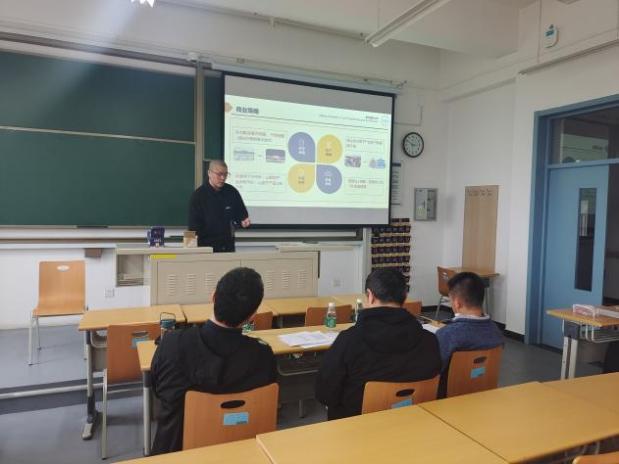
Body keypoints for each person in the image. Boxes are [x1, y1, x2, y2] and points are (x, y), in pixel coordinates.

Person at [150, 267, 277, 454]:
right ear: (252, 315)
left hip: (176, 454)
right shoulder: (263, 355)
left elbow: (157, 390)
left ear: (213, 297)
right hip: (242, 452)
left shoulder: (171, 345)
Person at [315, 268, 442, 420]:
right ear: (405, 296)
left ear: (370, 296)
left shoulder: (349, 340)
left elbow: (324, 393)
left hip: (356, 426)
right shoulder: (430, 340)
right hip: (413, 421)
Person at [435, 272, 504, 373]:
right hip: (486, 382)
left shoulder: (447, 334)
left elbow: (435, 370)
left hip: (452, 383)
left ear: (457, 303)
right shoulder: (497, 332)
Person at [188, 160, 250, 252]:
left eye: (225, 174)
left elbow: (241, 216)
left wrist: (243, 222)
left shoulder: (232, 192)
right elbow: (193, 228)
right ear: (209, 173)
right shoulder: (198, 196)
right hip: (206, 248)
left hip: (228, 247)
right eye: (219, 174)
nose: (223, 178)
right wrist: (191, 250)